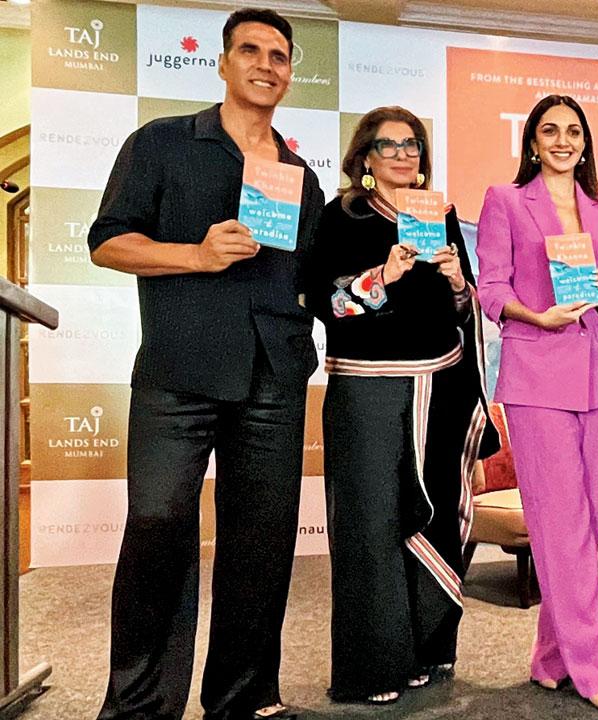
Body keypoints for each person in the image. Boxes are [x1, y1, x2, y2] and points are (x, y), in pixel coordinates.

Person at [87, 10, 322, 720]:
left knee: (261, 544)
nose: (266, 64)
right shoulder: (159, 143)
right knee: (158, 530)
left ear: (289, 72)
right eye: (250, 50)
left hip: (272, 379)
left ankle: (243, 698)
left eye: (280, 55)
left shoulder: (298, 173)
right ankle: (138, 707)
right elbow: (107, 242)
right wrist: (194, 253)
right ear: (222, 63)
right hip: (177, 373)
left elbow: (305, 280)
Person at [305, 107, 499, 705]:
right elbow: (321, 301)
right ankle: (372, 668)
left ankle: (426, 649)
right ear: (364, 157)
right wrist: (380, 277)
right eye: (388, 144)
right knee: (370, 525)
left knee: (436, 518)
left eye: (412, 144)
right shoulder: (338, 216)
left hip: (439, 388)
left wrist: (457, 283)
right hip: (369, 389)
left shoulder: (437, 213)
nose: (402, 154)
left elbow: (462, 309)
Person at [474, 95, 598, 711]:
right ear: (532, 143)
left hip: (593, 373)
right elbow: (490, 287)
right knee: (560, 526)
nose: (562, 140)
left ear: (586, 143)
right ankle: (596, 665)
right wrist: (534, 314)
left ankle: (550, 658)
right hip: (536, 374)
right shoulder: (505, 201)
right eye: (548, 131)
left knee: (584, 523)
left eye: (572, 132)